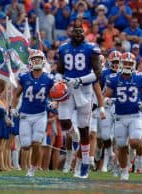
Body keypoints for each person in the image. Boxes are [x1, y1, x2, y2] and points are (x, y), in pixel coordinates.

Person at [55, 25, 102, 178]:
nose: (78, 34)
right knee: (63, 120)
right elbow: (60, 70)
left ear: (84, 34)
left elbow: (98, 74)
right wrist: (58, 82)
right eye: (75, 31)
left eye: (81, 32)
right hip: (68, 88)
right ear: (70, 33)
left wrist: (80, 80)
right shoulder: (63, 48)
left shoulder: (91, 49)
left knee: (84, 128)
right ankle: (73, 136)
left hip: (85, 91)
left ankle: (85, 163)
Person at [104, 52, 142, 180]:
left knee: (135, 142)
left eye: (130, 63)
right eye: (126, 63)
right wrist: (107, 100)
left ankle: (134, 152)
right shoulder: (113, 78)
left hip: (135, 114)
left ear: (134, 64)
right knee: (121, 145)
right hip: (119, 116)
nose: (128, 65)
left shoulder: (139, 77)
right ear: (121, 64)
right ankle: (124, 171)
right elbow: (106, 95)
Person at [11, 49, 55, 177]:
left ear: (43, 61)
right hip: (25, 114)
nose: (36, 61)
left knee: (37, 143)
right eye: (34, 59)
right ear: (30, 62)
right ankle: (31, 163)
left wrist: (53, 103)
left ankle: (33, 168)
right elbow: (16, 94)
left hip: (40, 115)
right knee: (25, 145)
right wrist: (13, 107)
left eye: (38, 59)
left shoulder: (49, 78)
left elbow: (54, 95)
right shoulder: (24, 77)